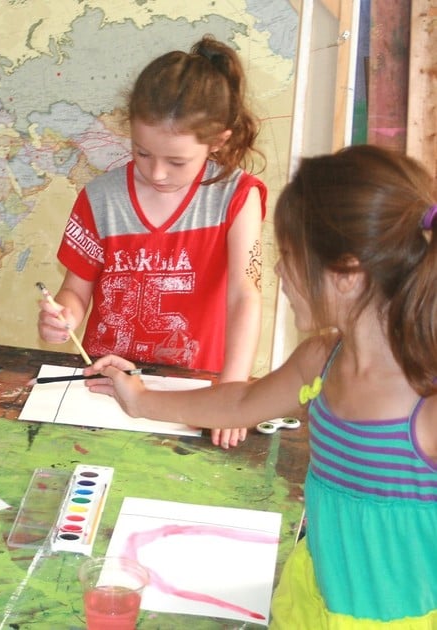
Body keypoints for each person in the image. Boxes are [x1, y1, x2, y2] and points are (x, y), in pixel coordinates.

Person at [84, 144, 437, 628]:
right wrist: (141, 400)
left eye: (288, 257)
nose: (276, 273)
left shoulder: (428, 404)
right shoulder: (321, 359)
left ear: (348, 273)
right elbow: (243, 401)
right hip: (314, 597)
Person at [38, 35, 266, 448]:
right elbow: (74, 290)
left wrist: (233, 396)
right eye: (142, 153)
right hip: (105, 382)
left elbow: (244, 297)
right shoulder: (100, 197)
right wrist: (64, 317)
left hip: (196, 390)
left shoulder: (237, 197)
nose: (157, 173)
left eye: (176, 161)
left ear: (218, 141)